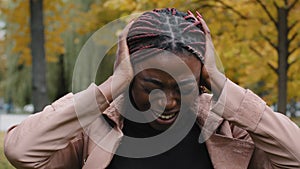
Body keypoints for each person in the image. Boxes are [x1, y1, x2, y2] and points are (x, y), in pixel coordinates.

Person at [4, 8, 300, 169]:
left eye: (184, 87)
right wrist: (109, 88)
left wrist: (223, 85)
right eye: (152, 85)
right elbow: (22, 152)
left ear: (201, 79)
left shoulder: (229, 128)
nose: (168, 101)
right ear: (130, 74)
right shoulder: (92, 128)